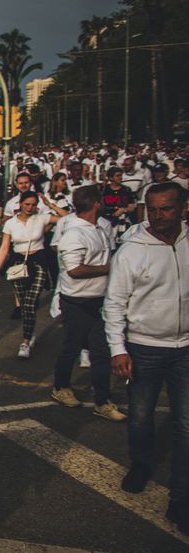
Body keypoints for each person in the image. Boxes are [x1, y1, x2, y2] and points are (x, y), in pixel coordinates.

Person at [106, 183, 189, 534]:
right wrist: (118, 348)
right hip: (144, 347)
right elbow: (114, 303)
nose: (158, 216)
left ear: (183, 208)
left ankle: (181, 499)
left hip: (186, 349)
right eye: (152, 209)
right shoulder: (131, 251)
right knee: (141, 416)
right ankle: (140, 464)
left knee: (186, 424)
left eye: (166, 208)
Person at [50, 186, 125, 420]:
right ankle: (60, 387)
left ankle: (102, 401)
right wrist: (109, 268)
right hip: (77, 302)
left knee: (100, 352)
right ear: (96, 203)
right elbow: (74, 270)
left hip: (99, 300)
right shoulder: (74, 234)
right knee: (71, 347)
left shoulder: (99, 228)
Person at [0, 190, 63, 359]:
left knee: (30, 303)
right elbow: (4, 248)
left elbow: (68, 218)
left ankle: (25, 341)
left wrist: (50, 204)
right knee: (24, 305)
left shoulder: (41, 218)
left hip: (38, 262)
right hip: (17, 264)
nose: (30, 208)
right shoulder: (10, 223)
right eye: (27, 204)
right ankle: (30, 332)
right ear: (20, 204)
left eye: (34, 205)